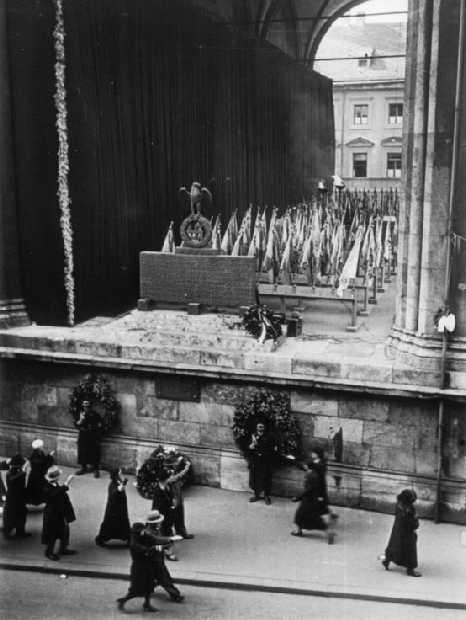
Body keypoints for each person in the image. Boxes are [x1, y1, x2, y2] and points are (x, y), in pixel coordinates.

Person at [116, 510, 184, 612]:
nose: (143, 532)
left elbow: (155, 539)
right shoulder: (135, 544)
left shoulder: (143, 535)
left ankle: (147, 604)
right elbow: (148, 549)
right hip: (140, 568)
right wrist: (161, 546)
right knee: (136, 589)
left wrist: (169, 540)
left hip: (148, 566)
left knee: (148, 587)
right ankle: (124, 601)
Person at [291, 455, 334, 544]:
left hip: (309, 500)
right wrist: (293, 459)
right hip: (311, 499)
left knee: (301, 515)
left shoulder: (311, 476)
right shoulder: (313, 473)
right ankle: (300, 531)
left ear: (308, 467)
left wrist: (298, 498)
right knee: (305, 516)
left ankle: (328, 532)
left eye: (305, 465)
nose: (304, 466)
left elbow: (308, 490)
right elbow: (301, 466)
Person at [382, 489, 421, 577]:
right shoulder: (408, 509)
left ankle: (386, 560)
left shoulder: (399, 505)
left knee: (394, 546)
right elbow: (413, 523)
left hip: (397, 531)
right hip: (408, 534)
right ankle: (410, 569)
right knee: (410, 551)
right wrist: (415, 520)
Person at [41, 466, 77, 560]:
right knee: (52, 534)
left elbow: (59, 491)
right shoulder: (46, 487)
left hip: (60, 512)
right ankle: (49, 552)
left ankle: (63, 548)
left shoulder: (54, 484)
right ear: (56, 477)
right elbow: (54, 494)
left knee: (64, 532)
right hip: (52, 515)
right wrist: (66, 484)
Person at [95, 468, 131, 546]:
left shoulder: (118, 481)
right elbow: (118, 490)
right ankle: (102, 538)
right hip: (114, 508)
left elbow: (121, 488)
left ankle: (127, 537)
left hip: (119, 507)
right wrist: (124, 483)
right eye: (120, 473)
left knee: (121, 522)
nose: (121, 474)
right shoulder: (113, 484)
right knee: (111, 523)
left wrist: (123, 483)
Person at [165, 450, 194, 539]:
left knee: (179, 511)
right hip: (171, 494)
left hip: (176, 492)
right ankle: (170, 532)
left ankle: (180, 530)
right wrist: (185, 470)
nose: (176, 464)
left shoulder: (170, 470)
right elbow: (173, 479)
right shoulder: (166, 472)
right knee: (173, 512)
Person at [151, 469, 178, 561]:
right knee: (163, 532)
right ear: (165, 479)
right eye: (169, 477)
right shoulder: (158, 491)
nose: (170, 478)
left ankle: (166, 550)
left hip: (168, 513)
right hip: (161, 515)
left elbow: (171, 496)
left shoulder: (167, 486)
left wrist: (173, 502)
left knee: (167, 530)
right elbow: (157, 505)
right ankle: (167, 552)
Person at [248, 421, 277, 505]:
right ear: (256, 428)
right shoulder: (253, 436)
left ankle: (266, 496)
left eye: (262, 427)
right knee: (255, 478)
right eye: (259, 427)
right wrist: (251, 447)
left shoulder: (269, 437)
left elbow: (272, 449)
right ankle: (256, 495)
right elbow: (248, 449)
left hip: (265, 461)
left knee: (266, 479)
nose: (260, 429)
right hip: (256, 461)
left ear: (264, 428)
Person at [3, 454, 30, 539]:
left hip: (19, 496)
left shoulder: (17, 470)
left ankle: (20, 531)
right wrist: (22, 473)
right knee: (11, 515)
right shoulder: (11, 472)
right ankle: (8, 533)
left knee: (22, 513)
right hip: (13, 497)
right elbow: (11, 480)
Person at [75, 399, 102, 478]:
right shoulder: (80, 414)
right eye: (84, 407)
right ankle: (83, 468)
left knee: (94, 452)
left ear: (90, 407)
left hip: (93, 436)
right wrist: (81, 419)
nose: (86, 408)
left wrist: (97, 432)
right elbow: (76, 424)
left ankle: (95, 469)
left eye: (87, 407)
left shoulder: (95, 414)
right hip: (83, 435)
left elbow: (100, 424)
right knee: (83, 452)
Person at [26, 439, 55, 506]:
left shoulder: (38, 453)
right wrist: (50, 457)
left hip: (36, 475)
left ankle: (36, 501)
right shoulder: (36, 455)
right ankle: (36, 502)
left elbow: (43, 461)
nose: (43, 447)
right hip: (37, 476)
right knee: (37, 489)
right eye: (42, 446)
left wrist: (49, 456)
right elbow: (43, 466)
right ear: (39, 447)